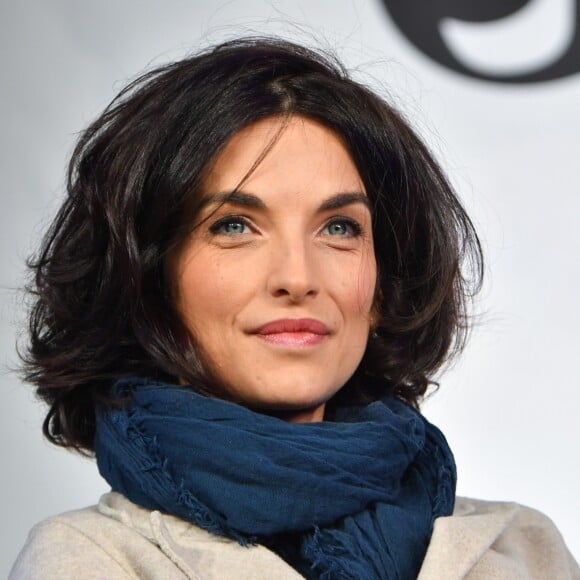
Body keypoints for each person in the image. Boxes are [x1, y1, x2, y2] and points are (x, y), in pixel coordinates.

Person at [10, 37, 578, 579]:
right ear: (148, 280)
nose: (297, 278)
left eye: (339, 228)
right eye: (234, 225)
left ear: (383, 286)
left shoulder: (525, 550)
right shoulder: (92, 559)